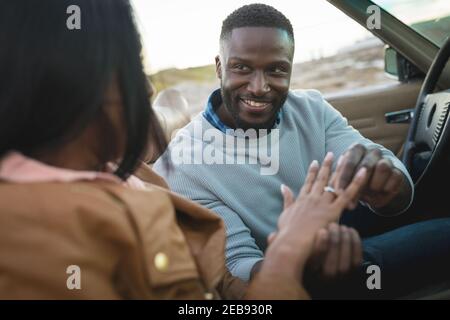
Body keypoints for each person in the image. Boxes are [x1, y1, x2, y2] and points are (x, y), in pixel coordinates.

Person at [0, 0, 367, 299]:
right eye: (128, 64)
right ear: (61, 77)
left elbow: (221, 282)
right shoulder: (34, 244)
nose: (144, 88)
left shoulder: (124, 172)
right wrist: (287, 255)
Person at [154, 3, 450, 298]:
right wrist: (301, 261)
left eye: (276, 70)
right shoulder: (183, 166)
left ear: (291, 69)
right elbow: (239, 266)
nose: (258, 87)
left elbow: (395, 184)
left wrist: (386, 182)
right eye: (241, 67)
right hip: (296, 275)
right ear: (220, 67)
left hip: (332, 220)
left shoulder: (311, 108)